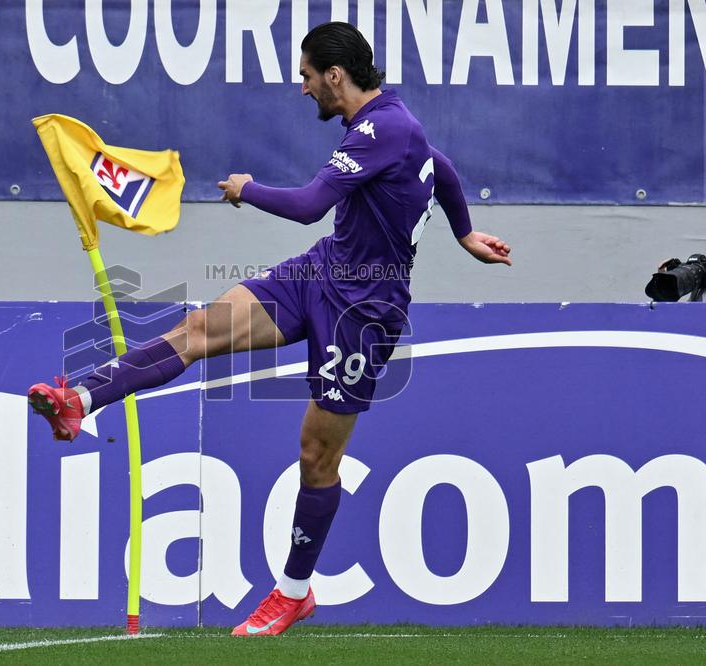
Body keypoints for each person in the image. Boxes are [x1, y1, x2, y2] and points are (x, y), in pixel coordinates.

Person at [28, 21, 512, 636]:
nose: (303, 88)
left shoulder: (384, 127)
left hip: (365, 312)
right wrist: (466, 233)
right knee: (201, 327)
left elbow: (311, 202)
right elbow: (438, 168)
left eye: (308, 76)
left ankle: (294, 591)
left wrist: (246, 188)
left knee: (316, 454)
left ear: (336, 76)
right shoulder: (388, 127)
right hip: (319, 272)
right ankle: (81, 397)